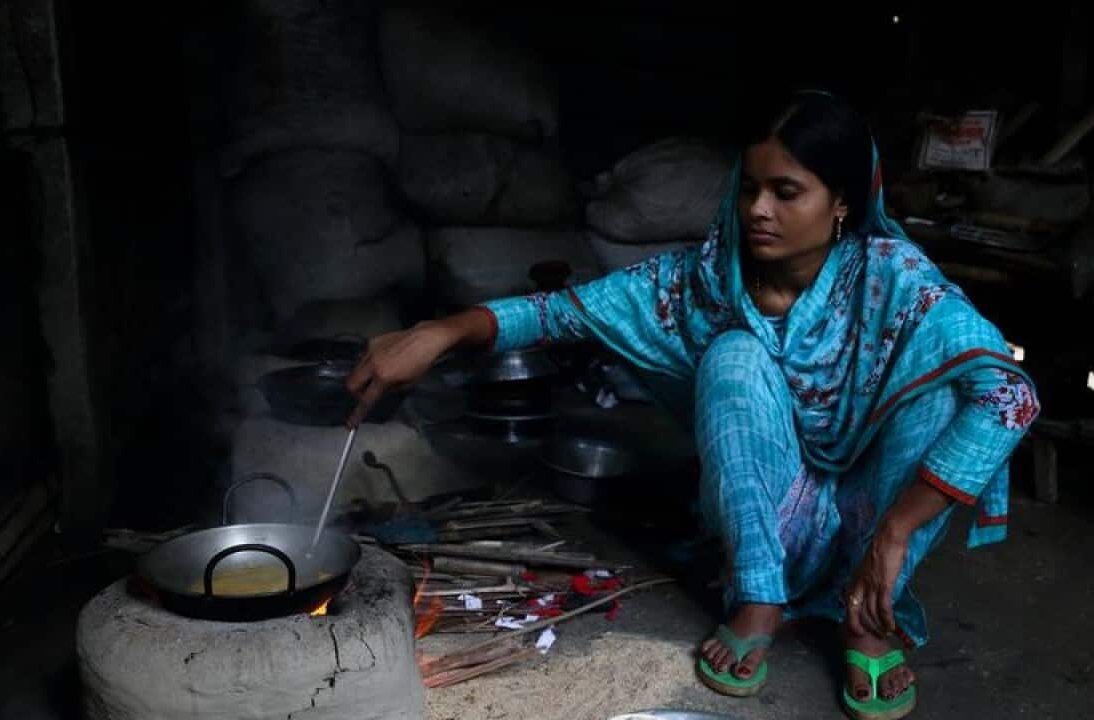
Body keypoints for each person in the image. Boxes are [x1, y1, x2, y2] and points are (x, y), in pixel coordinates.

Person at [347, 90, 1039, 719]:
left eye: (786, 192)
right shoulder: (706, 278)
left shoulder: (893, 275)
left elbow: (1010, 396)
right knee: (731, 357)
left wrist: (894, 533)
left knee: (946, 389)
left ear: (841, 203)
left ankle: (865, 620)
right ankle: (759, 599)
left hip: (874, 523)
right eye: (750, 188)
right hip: (770, 520)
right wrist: (439, 332)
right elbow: (563, 312)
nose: (757, 210)